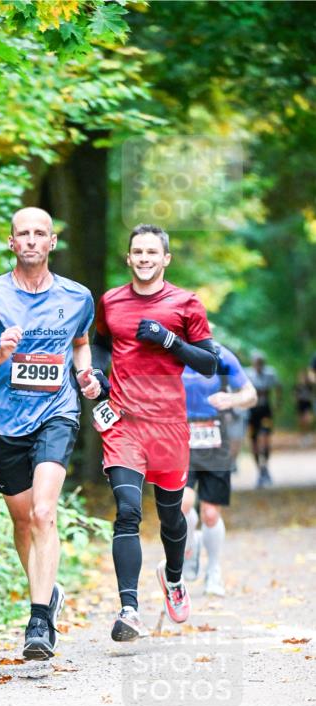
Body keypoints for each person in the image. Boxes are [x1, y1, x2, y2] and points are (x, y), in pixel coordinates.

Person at [0, 207, 100, 659]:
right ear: (12, 242)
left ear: (52, 242)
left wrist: (86, 373)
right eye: (24, 234)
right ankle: (47, 591)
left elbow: (80, 343)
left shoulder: (78, 297)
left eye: (40, 233)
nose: (32, 240)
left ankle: (39, 621)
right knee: (21, 521)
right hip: (3, 423)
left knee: (42, 512)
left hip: (57, 413)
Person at [88, 224, 218, 641]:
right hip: (124, 423)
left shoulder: (186, 303)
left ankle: (174, 578)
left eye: (152, 252)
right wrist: (96, 374)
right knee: (127, 510)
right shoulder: (110, 301)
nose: (144, 258)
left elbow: (208, 363)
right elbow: (101, 344)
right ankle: (129, 609)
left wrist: (169, 340)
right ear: (129, 258)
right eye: (138, 252)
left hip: (169, 426)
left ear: (166, 259)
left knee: (171, 516)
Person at [181, 343, 257, 596]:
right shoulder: (170, 350)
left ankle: (213, 571)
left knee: (211, 514)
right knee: (182, 505)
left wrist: (232, 399)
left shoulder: (220, 355)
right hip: (180, 438)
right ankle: (189, 547)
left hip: (215, 440)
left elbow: (250, 394)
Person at [245, 351, 281, 487]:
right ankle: (260, 470)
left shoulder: (270, 373)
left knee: (265, 437)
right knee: (253, 440)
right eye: (257, 362)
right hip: (251, 411)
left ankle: (265, 465)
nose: (259, 365)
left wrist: (278, 402)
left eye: (261, 363)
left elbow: (278, 386)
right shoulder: (247, 374)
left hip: (265, 411)